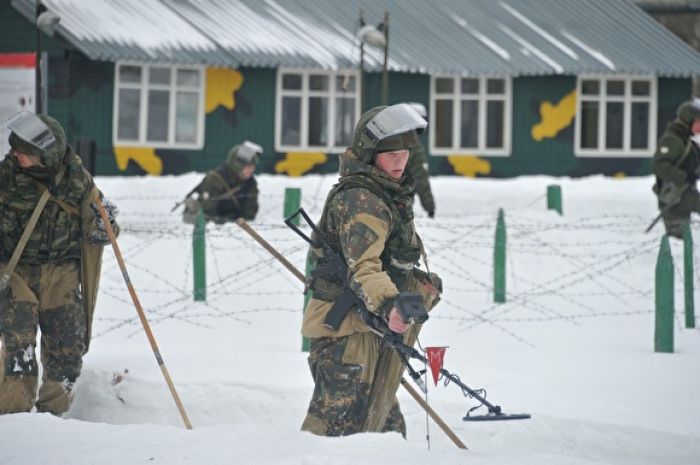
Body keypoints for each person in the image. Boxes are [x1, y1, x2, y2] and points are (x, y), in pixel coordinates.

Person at [300, 104, 443, 437]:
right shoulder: (361, 200)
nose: (400, 161)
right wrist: (392, 304)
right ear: (370, 153)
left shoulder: (387, 195)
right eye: (390, 153)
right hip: (347, 337)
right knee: (332, 440)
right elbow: (365, 267)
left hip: (372, 328)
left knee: (385, 435)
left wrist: (417, 284)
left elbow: (388, 259)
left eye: (405, 152)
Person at [0, 110, 119, 415]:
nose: (14, 154)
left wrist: (103, 225)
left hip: (61, 272)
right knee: (19, 346)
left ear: (45, 154)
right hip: (14, 272)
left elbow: (104, 225)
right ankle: (12, 420)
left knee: (67, 347)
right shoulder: (5, 178)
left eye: (22, 150)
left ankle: (53, 421)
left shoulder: (76, 179)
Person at [651, 98, 700, 238]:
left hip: (686, 196)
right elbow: (659, 165)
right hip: (674, 199)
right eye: (698, 122)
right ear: (688, 120)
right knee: (677, 241)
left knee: (684, 243)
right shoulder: (672, 140)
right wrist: (684, 176)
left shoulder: (687, 141)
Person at [181, 141, 261, 224]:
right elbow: (208, 212)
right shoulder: (215, 179)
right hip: (211, 226)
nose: (252, 170)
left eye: (253, 166)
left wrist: (238, 224)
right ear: (237, 165)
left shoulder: (250, 183)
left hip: (234, 226)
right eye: (248, 166)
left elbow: (250, 213)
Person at [406, 102, 436, 218]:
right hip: (400, 200)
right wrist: (430, 207)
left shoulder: (389, 138)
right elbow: (420, 176)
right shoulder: (413, 144)